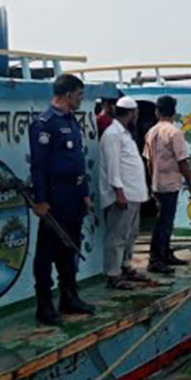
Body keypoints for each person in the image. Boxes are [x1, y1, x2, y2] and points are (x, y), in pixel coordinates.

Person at [28, 74, 96, 325]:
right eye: (79, 95)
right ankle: (44, 305)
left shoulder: (71, 121)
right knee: (46, 253)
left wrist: (84, 193)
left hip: (74, 195)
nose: (80, 100)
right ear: (68, 94)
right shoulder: (44, 124)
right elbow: (39, 165)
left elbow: (77, 160)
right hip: (55, 197)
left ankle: (69, 296)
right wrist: (40, 199)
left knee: (70, 248)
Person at [143, 95, 191, 272]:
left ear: (157, 112)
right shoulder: (174, 133)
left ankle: (165, 253)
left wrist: (152, 181)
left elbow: (148, 161)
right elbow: (182, 161)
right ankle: (156, 258)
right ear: (173, 113)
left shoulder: (151, 132)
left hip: (157, 182)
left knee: (163, 219)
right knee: (165, 221)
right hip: (170, 183)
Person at [100, 96, 151, 288]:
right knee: (117, 236)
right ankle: (113, 273)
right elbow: (112, 166)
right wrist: (119, 192)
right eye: (135, 113)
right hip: (123, 195)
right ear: (130, 113)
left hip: (134, 193)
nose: (136, 116)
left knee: (131, 234)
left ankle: (125, 265)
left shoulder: (125, 133)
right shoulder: (113, 134)